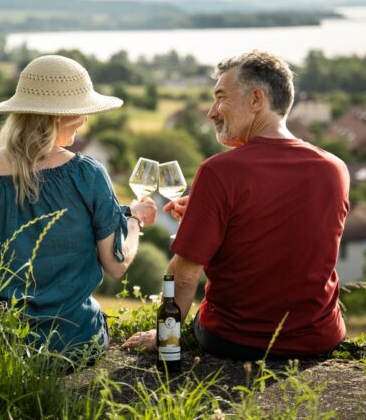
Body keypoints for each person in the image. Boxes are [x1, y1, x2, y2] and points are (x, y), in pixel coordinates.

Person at [124, 51, 349, 359]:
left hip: (236, 339)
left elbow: (185, 276)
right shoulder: (334, 168)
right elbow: (289, 237)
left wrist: (165, 339)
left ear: (256, 100)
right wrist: (209, 214)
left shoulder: (219, 171)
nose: (212, 112)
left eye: (221, 98)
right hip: (320, 338)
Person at [0, 55, 157, 359]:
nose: (84, 120)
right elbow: (116, 265)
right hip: (71, 343)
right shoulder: (86, 173)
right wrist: (136, 221)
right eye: (80, 113)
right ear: (59, 117)